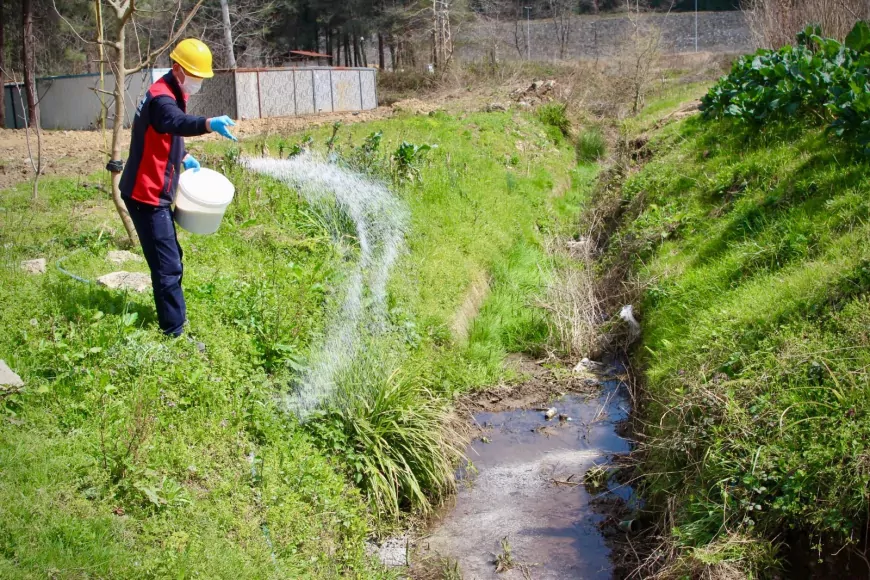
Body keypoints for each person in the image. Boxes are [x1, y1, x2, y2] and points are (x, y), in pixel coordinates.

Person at [120, 38, 237, 337]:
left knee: (170, 259)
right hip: (146, 195)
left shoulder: (170, 89)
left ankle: (173, 321)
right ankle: (174, 332)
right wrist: (208, 123)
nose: (198, 82)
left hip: (151, 189)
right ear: (177, 68)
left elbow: (161, 131)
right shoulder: (162, 99)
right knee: (168, 266)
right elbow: (175, 122)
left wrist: (182, 155)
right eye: (195, 76)